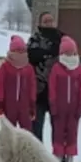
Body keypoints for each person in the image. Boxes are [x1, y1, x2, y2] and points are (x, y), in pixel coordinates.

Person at [46, 35, 81, 162]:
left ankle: (70, 155)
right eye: (67, 52)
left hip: (74, 108)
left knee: (72, 132)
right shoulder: (57, 68)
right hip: (59, 107)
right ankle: (58, 154)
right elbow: (52, 87)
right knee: (58, 132)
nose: (70, 54)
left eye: (72, 51)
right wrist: (53, 104)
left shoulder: (80, 69)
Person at [25, 10, 62, 141]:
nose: (49, 23)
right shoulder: (34, 38)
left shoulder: (62, 38)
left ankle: (57, 158)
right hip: (38, 89)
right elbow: (30, 56)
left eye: (51, 21)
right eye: (46, 21)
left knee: (59, 129)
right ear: (40, 23)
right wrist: (48, 53)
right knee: (36, 128)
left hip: (57, 90)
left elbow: (68, 56)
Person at [0, 34, 37, 131]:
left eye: (22, 50)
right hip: (8, 106)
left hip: (25, 106)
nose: (19, 53)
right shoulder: (5, 67)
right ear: (12, 51)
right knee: (8, 132)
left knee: (27, 133)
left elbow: (32, 86)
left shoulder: (28, 68)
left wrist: (32, 104)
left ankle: (24, 146)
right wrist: (0, 104)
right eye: (17, 50)